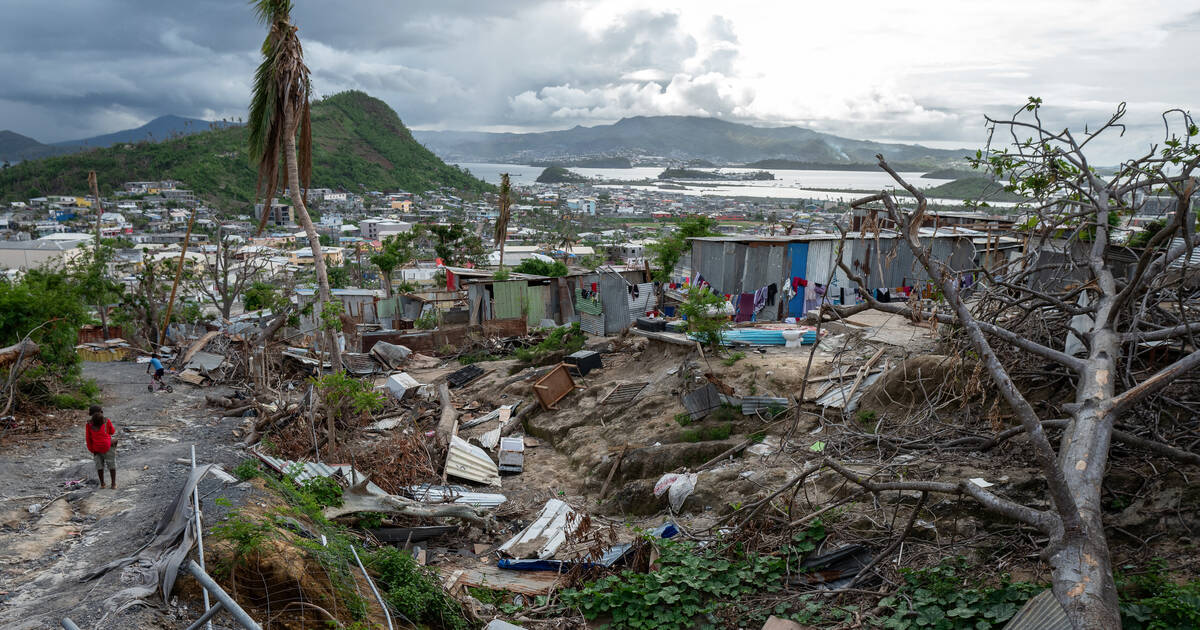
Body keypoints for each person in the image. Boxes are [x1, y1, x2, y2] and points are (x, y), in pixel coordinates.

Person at [85, 411, 117, 489]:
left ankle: (102, 484)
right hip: (107, 447)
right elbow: (112, 432)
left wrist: (92, 449)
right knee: (111, 465)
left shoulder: (89, 424)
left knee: (99, 466)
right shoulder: (106, 421)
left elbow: (88, 438)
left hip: (96, 449)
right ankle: (113, 484)